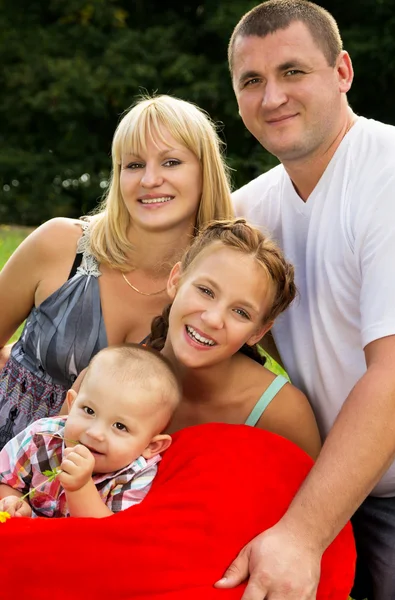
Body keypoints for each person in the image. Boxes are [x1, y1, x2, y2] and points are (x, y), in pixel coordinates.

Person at [215, 1, 395, 599]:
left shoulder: (388, 173)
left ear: (342, 71)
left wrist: (301, 534)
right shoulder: (249, 212)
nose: (272, 98)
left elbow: (394, 377)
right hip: (332, 482)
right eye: (252, 81)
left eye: (293, 71)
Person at [0, 94, 233, 450]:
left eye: (171, 162)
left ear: (206, 172)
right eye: (134, 165)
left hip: (111, 494)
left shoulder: (218, 292)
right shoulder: (60, 245)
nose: (150, 179)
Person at [149, 218, 321, 461]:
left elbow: (314, 498)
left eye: (241, 312)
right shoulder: (109, 377)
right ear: (175, 280)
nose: (213, 319)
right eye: (206, 291)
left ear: (258, 332)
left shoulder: (282, 413)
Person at [0, 344, 179, 518]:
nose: (95, 433)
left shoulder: (135, 476)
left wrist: (81, 487)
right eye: (89, 411)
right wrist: (14, 503)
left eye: (120, 426)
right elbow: (5, 480)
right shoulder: (41, 437)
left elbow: (112, 535)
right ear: (72, 404)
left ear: (151, 445)